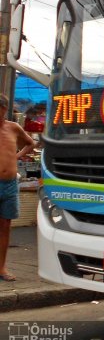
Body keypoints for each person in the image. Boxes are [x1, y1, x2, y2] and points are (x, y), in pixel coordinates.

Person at [0, 94, 35, 281]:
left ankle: (2, 267)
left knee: (5, 226)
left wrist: (17, 155)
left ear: (5, 110)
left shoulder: (13, 128)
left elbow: (30, 143)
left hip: (10, 184)